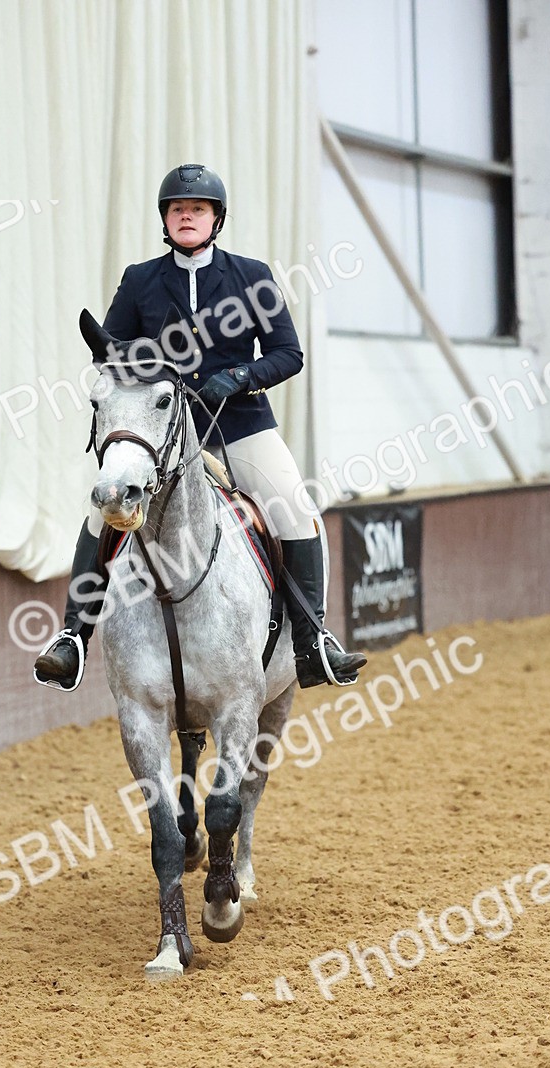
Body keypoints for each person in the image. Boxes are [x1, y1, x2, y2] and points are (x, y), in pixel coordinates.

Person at [34, 163, 366, 691]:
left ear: (216, 219)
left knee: (293, 507)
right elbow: (114, 360)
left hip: (239, 426)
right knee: (104, 512)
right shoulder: (140, 280)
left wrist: (237, 377)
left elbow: (288, 353)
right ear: (165, 220)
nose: (187, 217)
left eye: (198, 210)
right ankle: (73, 638)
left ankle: (312, 642)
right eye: (178, 210)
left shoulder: (251, 277)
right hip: (162, 433)